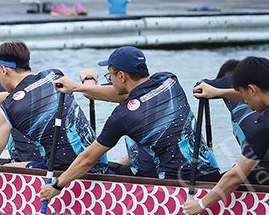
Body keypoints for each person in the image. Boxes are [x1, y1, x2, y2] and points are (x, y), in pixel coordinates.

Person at [39, 47, 221, 203]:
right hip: (210, 173)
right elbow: (127, 95)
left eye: (110, 76)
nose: (110, 81)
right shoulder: (169, 80)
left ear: (121, 76)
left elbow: (88, 159)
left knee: (99, 169)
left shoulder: (123, 115)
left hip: (173, 189)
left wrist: (57, 185)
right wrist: (78, 88)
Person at [0, 42, 106, 215]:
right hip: (97, 163)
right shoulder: (54, 76)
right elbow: (14, 97)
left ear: (3, 70)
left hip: (61, 173)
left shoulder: (7, 110)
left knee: (5, 167)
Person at [184, 57, 269, 215]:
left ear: (252, 89)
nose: (244, 101)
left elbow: (236, 177)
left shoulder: (263, 127)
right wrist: (218, 92)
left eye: (244, 95)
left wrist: (200, 204)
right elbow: (253, 94)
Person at [194, 59, 269, 187]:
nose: (245, 101)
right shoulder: (260, 92)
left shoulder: (229, 80)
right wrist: (218, 92)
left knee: (221, 181)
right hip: (258, 165)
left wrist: (216, 90)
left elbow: (199, 87)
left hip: (261, 169)